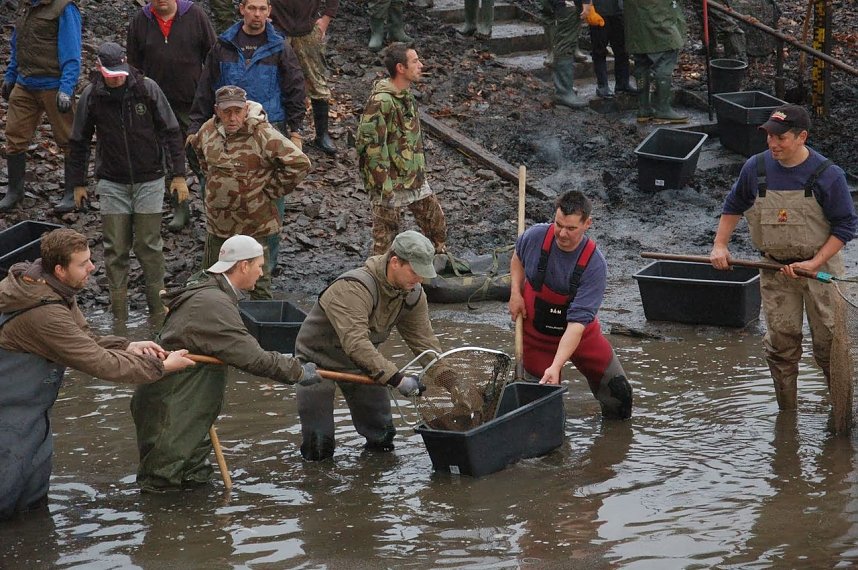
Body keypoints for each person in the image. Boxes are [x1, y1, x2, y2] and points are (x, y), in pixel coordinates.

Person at [0, 228, 195, 519]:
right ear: (59, 269)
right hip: (8, 416)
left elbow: (84, 339)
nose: (92, 267)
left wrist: (129, 345)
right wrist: (160, 367)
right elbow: (98, 362)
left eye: (91, 259)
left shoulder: (55, 289)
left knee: (31, 505)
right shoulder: (44, 313)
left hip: (32, 414)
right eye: (83, 263)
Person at [130, 234, 321, 492]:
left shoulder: (210, 288)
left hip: (187, 402)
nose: (262, 272)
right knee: (161, 483)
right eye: (259, 266)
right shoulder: (213, 303)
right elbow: (252, 357)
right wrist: (298, 371)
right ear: (243, 266)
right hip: (172, 404)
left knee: (195, 479)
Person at [710, 104, 858, 411]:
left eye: (782, 138)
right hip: (774, 268)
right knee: (781, 344)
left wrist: (814, 263)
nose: (773, 144)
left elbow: (846, 226)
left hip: (820, 269)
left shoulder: (827, 174)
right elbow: (734, 204)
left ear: (802, 136)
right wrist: (720, 245)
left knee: (829, 345)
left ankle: (840, 415)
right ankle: (787, 416)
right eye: (769, 136)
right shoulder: (756, 168)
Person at [295, 230, 441, 460]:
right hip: (317, 361)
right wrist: (398, 379)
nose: (419, 280)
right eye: (414, 272)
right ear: (395, 262)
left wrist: (450, 380)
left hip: (361, 366)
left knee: (383, 435)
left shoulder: (412, 294)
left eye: (424, 274)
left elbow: (425, 343)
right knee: (319, 446)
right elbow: (356, 344)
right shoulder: (353, 288)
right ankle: (319, 488)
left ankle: (375, 479)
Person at [67, 42, 187, 321]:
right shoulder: (92, 95)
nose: (116, 77)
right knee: (116, 249)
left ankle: (159, 312)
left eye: (120, 71)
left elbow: (171, 132)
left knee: (149, 246)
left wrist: (178, 175)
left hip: (150, 180)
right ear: (100, 69)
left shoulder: (147, 88)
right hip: (111, 182)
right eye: (110, 74)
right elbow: (79, 141)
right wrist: (77, 183)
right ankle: (119, 316)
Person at [189, 0, 307, 277]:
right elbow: (206, 87)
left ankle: (265, 267)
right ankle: (224, 264)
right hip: (226, 129)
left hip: (270, 127)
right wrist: (196, 127)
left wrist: (296, 131)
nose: (257, 15)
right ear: (241, 9)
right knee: (223, 194)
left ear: (269, 12)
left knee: (269, 206)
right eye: (252, 8)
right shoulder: (223, 45)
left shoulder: (280, 47)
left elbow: (295, 88)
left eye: (262, 9)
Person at [508, 191, 632, 419]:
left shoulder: (595, 266)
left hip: (581, 334)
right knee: (542, 411)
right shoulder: (535, 237)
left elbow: (576, 326)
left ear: (587, 224)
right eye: (558, 225)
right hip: (536, 335)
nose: (562, 234)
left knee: (619, 392)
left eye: (571, 228)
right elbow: (517, 258)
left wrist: (557, 365)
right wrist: (515, 292)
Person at [187, 85, 310, 300]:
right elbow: (199, 155)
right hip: (219, 224)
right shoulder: (208, 131)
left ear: (246, 109)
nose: (232, 118)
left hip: (255, 223)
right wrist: (213, 183)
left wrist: (270, 191)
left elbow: (299, 163)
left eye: (237, 111)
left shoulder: (261, 133)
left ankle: (262, 328)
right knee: (211, 279)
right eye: (227, 112)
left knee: (258, 284)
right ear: (217, 111)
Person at [127, 0, 217, 231]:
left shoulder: (195, 15)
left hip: (193, 103)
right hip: (155, 103)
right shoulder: (140, 21)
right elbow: (133, 65)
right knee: (166, 157)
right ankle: (180, 208)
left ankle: (214, 210)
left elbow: (213, 55)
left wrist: (210, 92)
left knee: (200, 154)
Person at [356, 43, 447, 256]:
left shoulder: (406, 96)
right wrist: (383, 186)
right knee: (384, 242)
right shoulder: (381, 102)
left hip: (413, 177)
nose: (421, 65)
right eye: (415, 61)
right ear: (400, 68)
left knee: (436, 225)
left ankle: (436, 265)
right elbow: (370, 146)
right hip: (389, 183)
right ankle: (379, 280)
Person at [0, 0, 82, 213]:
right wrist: (10, 76)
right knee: (14, 135)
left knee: (68, 138)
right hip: (25, 82)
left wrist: (66, 87)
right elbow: (17, 44)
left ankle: (72, 193)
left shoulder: (64, 8)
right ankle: (15, 190)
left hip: (54, 84)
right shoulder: (25, 6)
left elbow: (72, 51)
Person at [269, 0, 339, 155]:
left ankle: (322, 135)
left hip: (308, 29)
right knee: (274, 81)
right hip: (276, 29)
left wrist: (326, 18)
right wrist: (262, 13)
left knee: (316, 81)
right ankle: (280, 131)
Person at [624, 0, 687, 123]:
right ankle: (662, 109)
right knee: (667, 55)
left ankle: (644, 109)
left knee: (642, 59)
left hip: (635, 15)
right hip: (656, 13)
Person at [587, 0, 635, 98]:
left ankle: (623, 83)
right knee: (599, 50)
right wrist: (588, 7)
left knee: (622, 49)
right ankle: (602, 85)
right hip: (599, 11)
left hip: (619, 10)